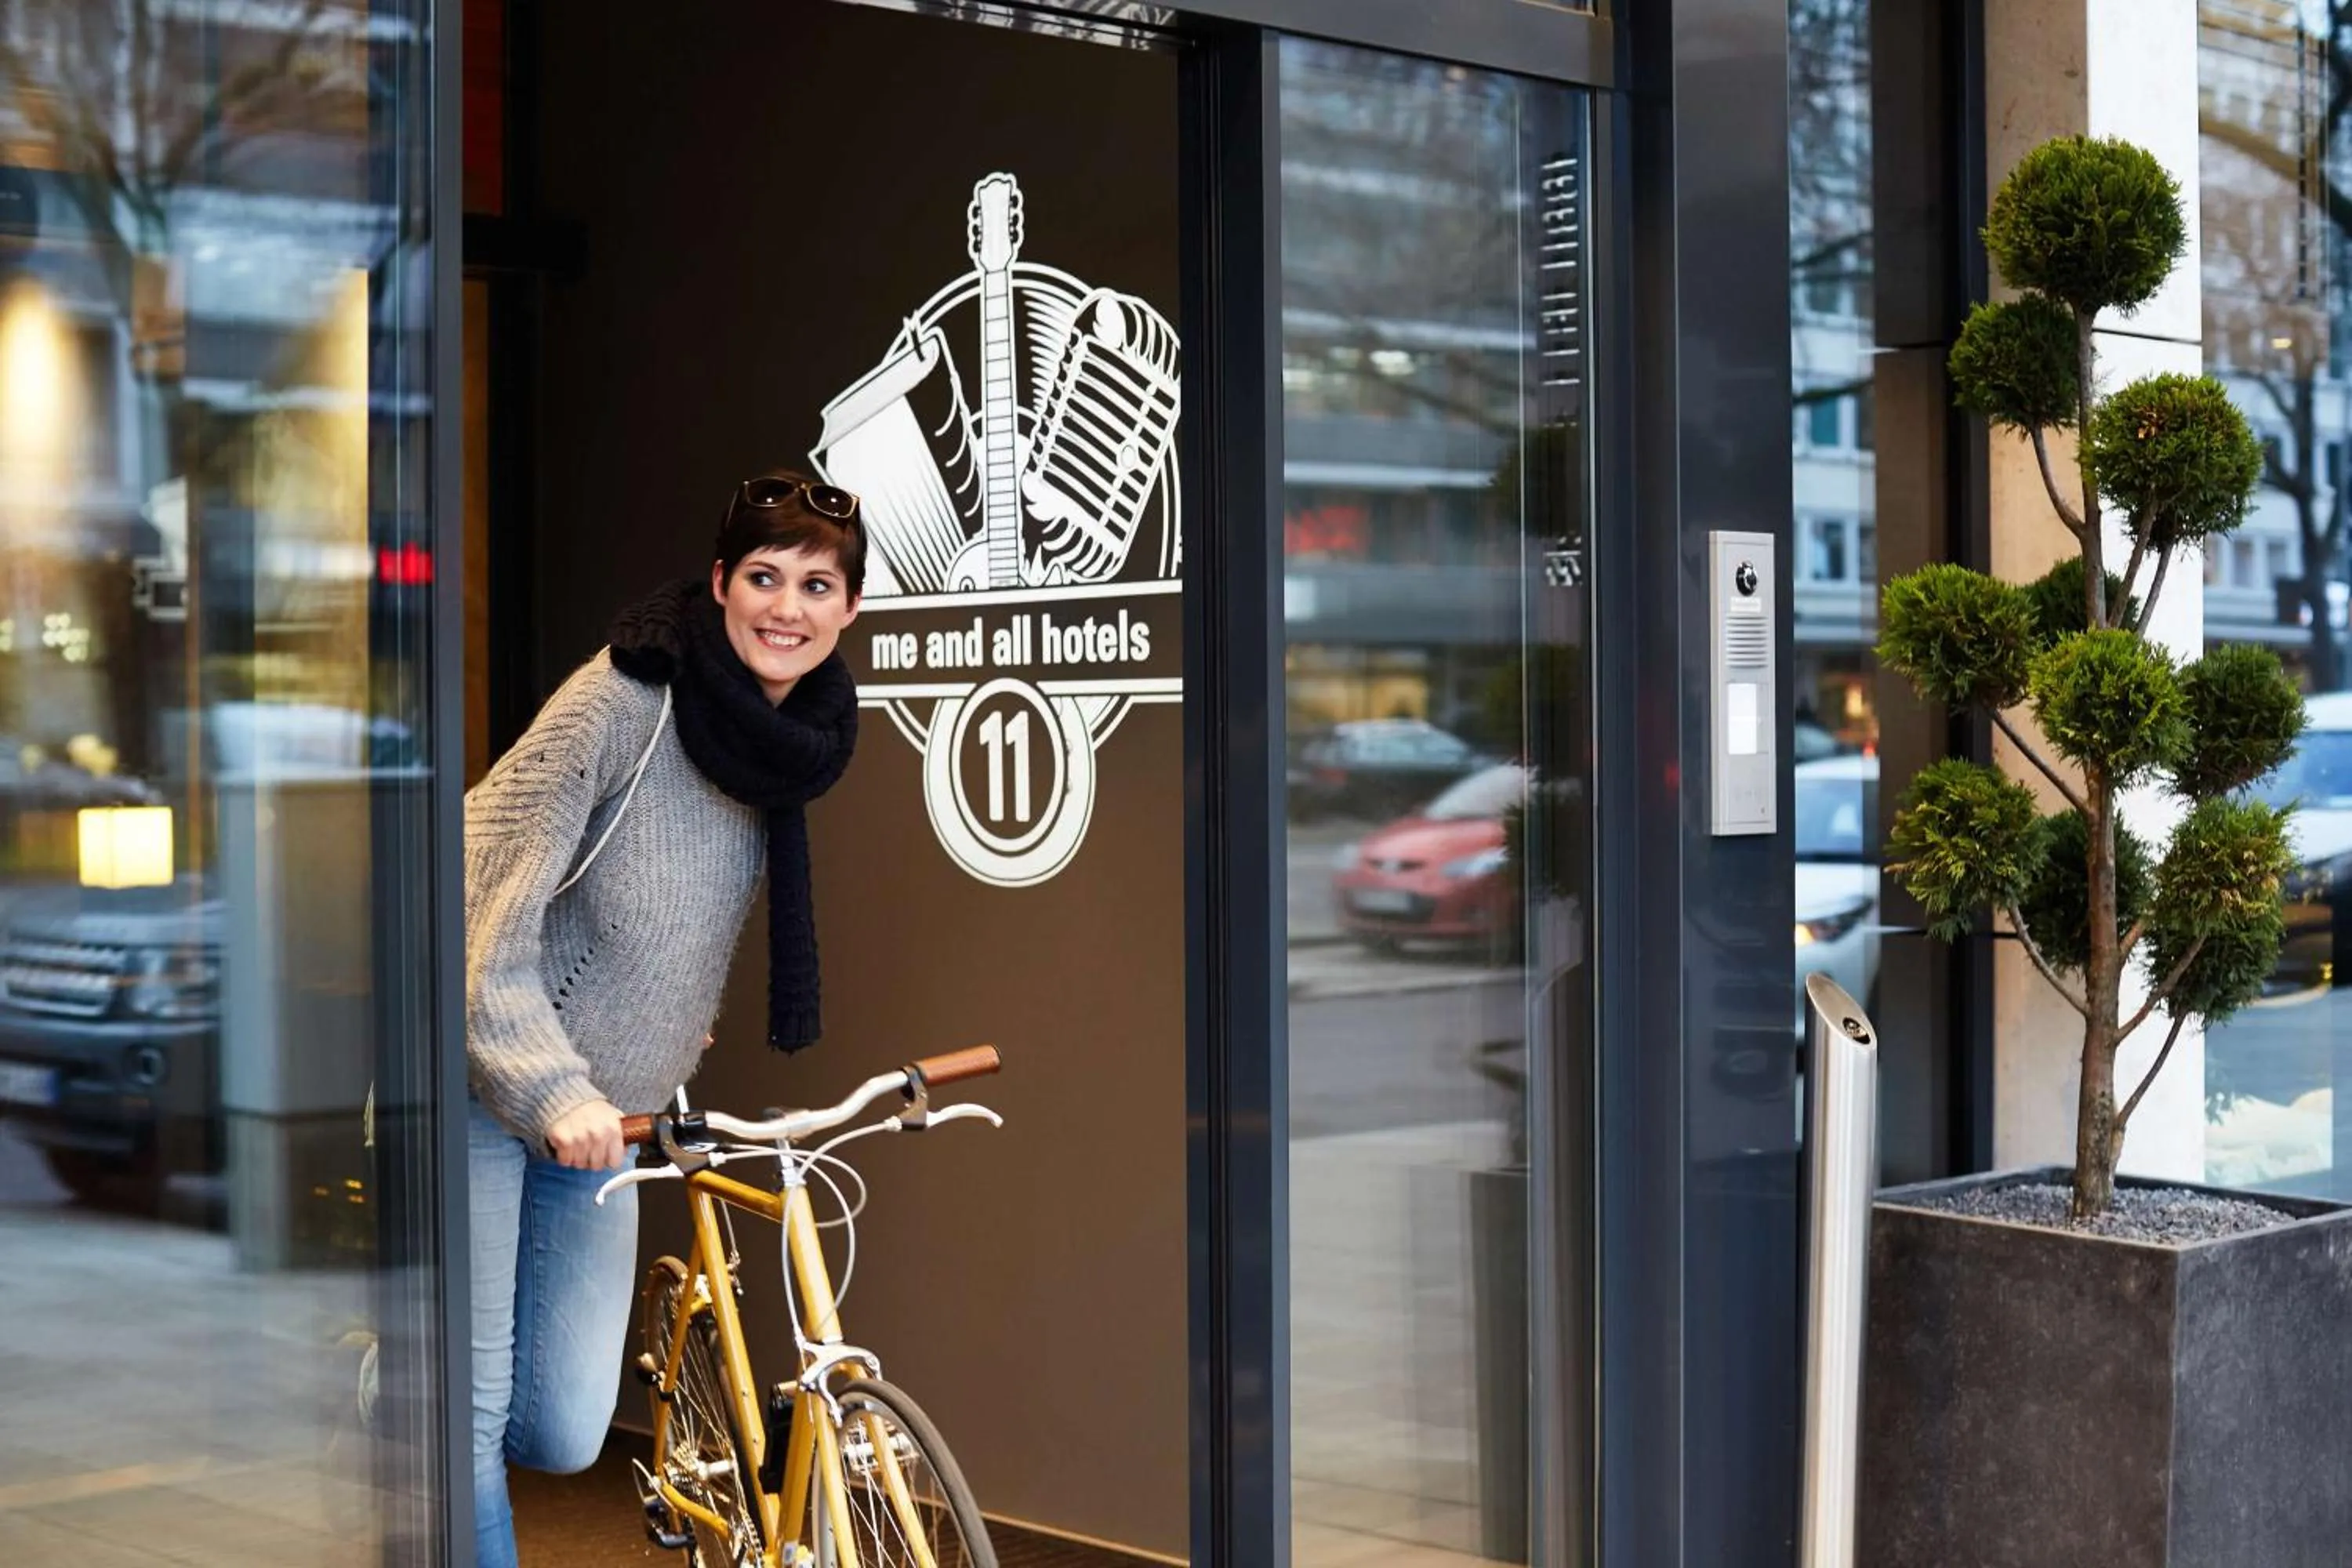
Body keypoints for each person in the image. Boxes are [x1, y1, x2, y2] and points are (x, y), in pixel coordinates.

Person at [462, 471, 864, 1567]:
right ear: (721, 584)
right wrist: (552, 1087)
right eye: (765, 578)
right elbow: (472, 899)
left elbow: (683, 907)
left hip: (612, 1116)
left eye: (816, 586)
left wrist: (673, 1017)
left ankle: (401, 1388)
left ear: (850, 607)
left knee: (561, 1428)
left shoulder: (789, 740)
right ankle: (410, 1403)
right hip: (482, 1084)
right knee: (468, 1418)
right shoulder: (623, 702)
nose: (787, 609)